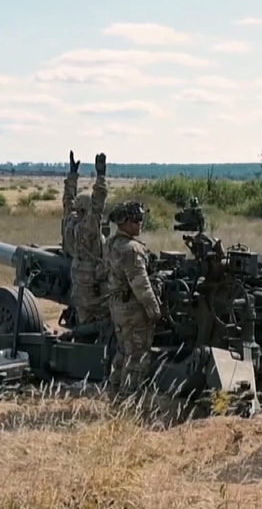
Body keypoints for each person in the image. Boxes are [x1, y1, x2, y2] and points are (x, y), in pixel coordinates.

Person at [104, 200, 161, 396]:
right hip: (133, 312)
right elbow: (141, 286)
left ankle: (114, 393)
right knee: (137, 357)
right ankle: (128, 400)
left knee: (123, 352)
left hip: (118, 308)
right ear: (125, 222)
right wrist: (155, 311)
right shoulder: (132, 250)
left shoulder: (112, 244)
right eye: (136, 219)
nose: (140, 223)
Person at [63, 152, 110, 329]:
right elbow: (98, 203)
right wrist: (101, 176)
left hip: (78, 286)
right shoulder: (89, 228)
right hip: (94, 288)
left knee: (84, 325)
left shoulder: (70, 222)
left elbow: (68, 200)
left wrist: (72, 175)